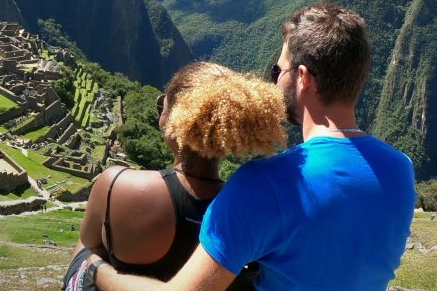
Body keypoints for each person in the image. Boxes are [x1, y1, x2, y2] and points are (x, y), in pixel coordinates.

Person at [90, 3, 418, 290]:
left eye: (278, 70)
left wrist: (98, 272)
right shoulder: (400, 170)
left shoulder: (265, 183)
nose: (274, 80)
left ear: (302, 78)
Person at [64, 62, 286, 290]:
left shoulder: (115, 185)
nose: (160, 112)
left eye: (163, 105)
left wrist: (96, 267)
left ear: (175, 119)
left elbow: (83, 258)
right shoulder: (248, 209)